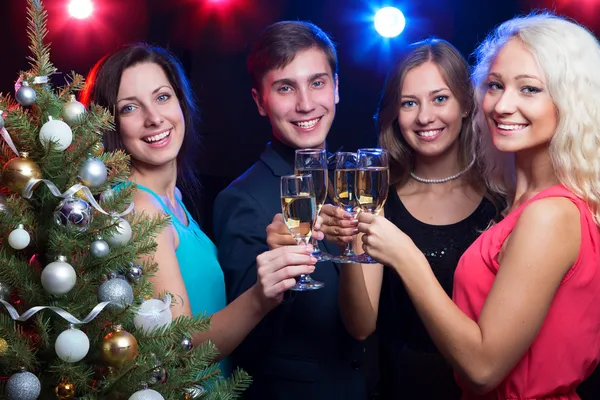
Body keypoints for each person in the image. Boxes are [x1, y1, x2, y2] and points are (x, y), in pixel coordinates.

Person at [349, 13, 600, 399]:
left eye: (529, 89)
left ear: (570, 101)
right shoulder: (523, 202)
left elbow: (483, 369)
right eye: (496, 86)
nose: (502, 105)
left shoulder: (550, 214)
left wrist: (407, 257)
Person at [272, 38, 511, 398]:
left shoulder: (503, 196)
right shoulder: (377, 199)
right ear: (395, 114)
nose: (425, 116)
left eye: (440, 98)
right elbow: (360, 326)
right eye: (409, 103)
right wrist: (352, 241)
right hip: (400, 386)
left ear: (466, 103)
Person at [80, 43, 318, 373]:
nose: (154, 118)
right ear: (110, 124)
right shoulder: (139, 205)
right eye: (129, 108)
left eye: (162, 97)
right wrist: (261, 296)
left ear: (181, 103)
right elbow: (180, 348)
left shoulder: (170, 198)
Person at [213, 21, 371, 399]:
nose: (305, 103)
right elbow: (243, 346)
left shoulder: (357, 184)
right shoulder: (241, 199)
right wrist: (281, 263)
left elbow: (364, 325)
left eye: (317, 82)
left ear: (337, 89)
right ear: (259, 101)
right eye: (285, 87)